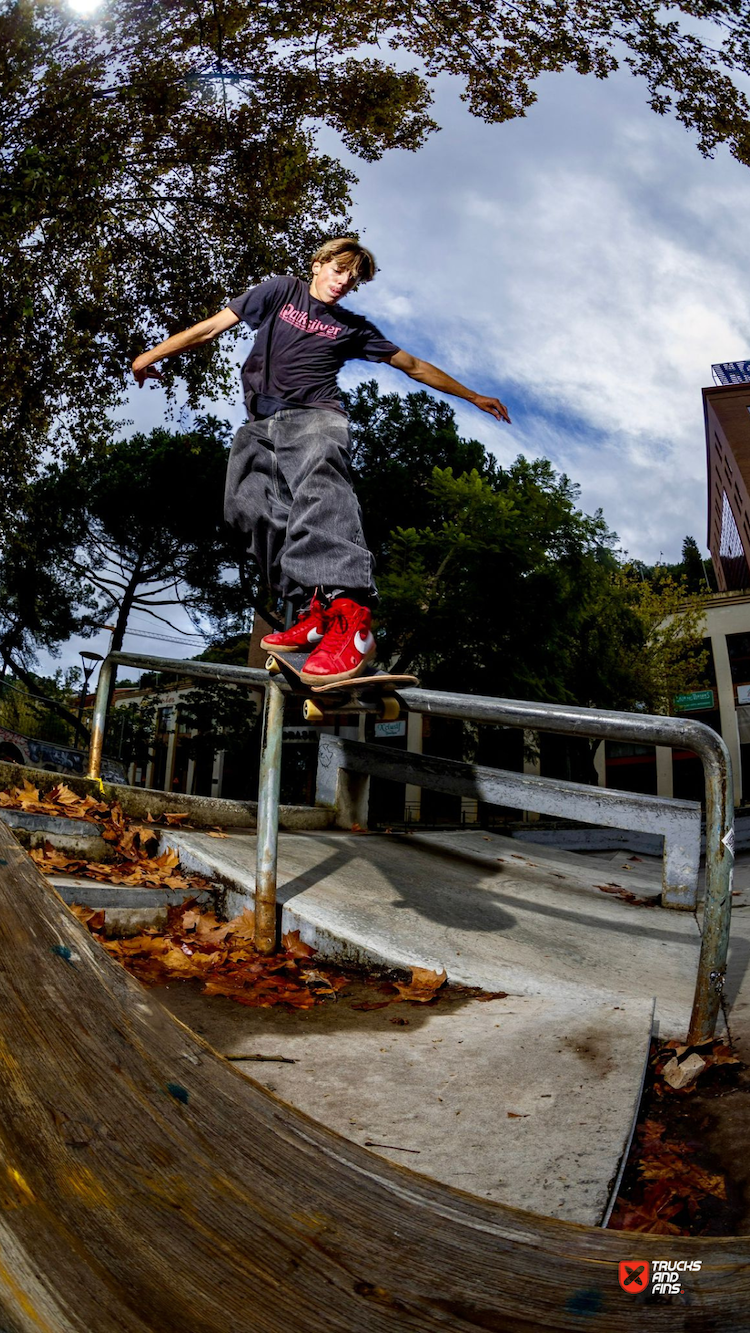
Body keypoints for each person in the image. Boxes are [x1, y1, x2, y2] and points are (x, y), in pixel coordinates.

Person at [132, 237, 510, 683]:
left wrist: (473, 396)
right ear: (319, 264)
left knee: (319, 482)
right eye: (339, 270)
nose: (344, 282)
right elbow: (212, 327)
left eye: (353, 278)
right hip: (259, 424)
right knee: (247, 508)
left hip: (315, 416)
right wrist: (151, 355)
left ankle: (349, 612)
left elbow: (413, 365)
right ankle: (316, 610)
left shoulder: (353, 327)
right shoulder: (280, 291)